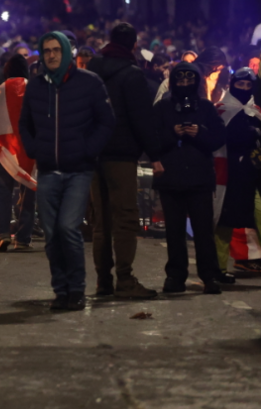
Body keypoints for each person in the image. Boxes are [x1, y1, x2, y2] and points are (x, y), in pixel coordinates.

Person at [19, 31, 115, 311]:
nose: (51, 55)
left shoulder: (89, 83)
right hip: (48, 170)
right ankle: (60, 291)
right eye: (46, 50)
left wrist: (88, 149)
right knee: (51, 234)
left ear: (66, 52)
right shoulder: (36, 86)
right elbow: (25, 123)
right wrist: (34, 149)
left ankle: (76, 290)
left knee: (67, 228)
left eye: (56, 50)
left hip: (79, 170)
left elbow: (106, 121)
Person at [86, 23, 163, 299]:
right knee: (125, 218)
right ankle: (125, 280)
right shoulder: (133, 76)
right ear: (132, 45)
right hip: (121, 156)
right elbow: (141, 119)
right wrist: (154, 155)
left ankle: (102, 281)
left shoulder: (91, 70)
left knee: (101, 220)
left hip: (94, 154)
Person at [153, 62, 227, 294]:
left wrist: (199, 133)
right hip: (171, 177)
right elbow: (151, 140)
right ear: (173, 82)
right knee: (174, 232)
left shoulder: (206, 107)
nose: (185, 84)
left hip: (199, 177)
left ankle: (209, 275)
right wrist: (172, 133)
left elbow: (218, 138)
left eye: (189, 80)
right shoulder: (163, 107)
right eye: (180, 80)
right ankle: (175, 276)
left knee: (203, 231)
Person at [212, 68, 258, 284]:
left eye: (249, 86)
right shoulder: (221, 110)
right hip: (230, 174)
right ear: (232, 84)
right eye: (241, 85)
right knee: (224, 221)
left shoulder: (256, 110)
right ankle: (218, 268)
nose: (245, 89)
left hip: (254, 174)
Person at [0, 55, 37, 251]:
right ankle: (23, 238)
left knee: (1, 193)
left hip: (2, 150)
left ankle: (2, 234)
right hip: (28, 151)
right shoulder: (32, 88)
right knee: (28, 192)